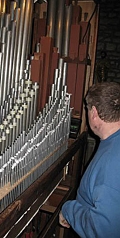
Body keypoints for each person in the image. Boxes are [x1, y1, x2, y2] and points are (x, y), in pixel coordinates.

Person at [59, 81, 120, 238]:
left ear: (94, 113)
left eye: (87, 109)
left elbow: (102, 230)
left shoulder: (111, 163)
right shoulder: (112, 140)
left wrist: (69, 210)